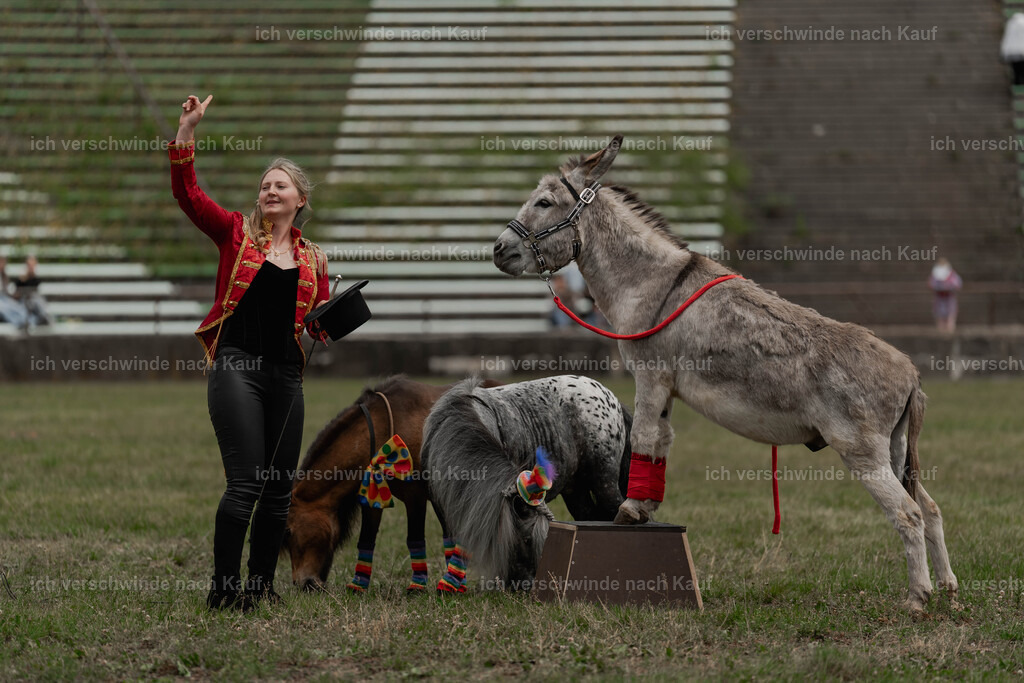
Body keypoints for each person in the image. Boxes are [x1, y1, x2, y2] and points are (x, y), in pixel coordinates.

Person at [169, 94, 330, 611]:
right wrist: (187, 130)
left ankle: (261, 585)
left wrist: (334, 320)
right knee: (246, 484)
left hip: (287, 376)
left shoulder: (313, 258)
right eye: (265, 185)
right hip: (237, 366)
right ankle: (223, 589)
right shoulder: (236, 234)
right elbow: (189, 195)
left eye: (279, 185)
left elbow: (319, 325)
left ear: (300, 198)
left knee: (280, 492)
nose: (269, 191)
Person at [0, 255, 51, 330]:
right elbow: (12, 292)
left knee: (26, 304)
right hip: (4, 302)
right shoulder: (21, 278)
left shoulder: (37, 278)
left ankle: (34, 320)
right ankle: (26, 322)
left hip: (12, 302)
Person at [928, 257, 962, 334]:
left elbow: (958, 284)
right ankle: (941, 334)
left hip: (949, 299)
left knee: (950, 318)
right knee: (940, 318)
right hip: (939, 299)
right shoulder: (935, 274)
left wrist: (948, 286)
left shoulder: (951, 274)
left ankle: (950, 333)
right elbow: (931, 284)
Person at [1002, 13, 1024, 85]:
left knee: (1016, 70)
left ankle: (1017, 82)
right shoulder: (1022, 23)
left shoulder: (1011, 23)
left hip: (1012, 51)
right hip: (1021, 50)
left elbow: (1007, 38)